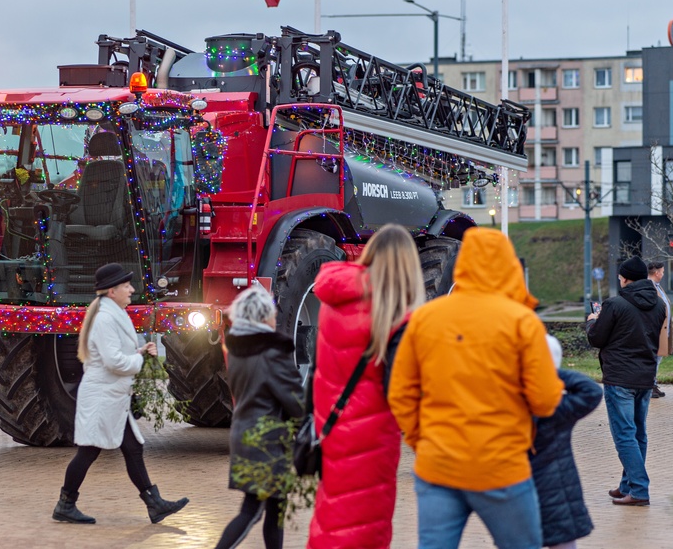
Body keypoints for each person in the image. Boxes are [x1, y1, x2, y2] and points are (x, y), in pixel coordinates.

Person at [389, 227, 564, 549]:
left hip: (437, 464)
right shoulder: (522, 322)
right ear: (507, 265)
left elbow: (400, 394)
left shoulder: (425, 319)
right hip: (502, 466)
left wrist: (421, 441)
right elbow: (544, 401)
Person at [308, 224, 425, 549]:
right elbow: (399, 390)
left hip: (332, 428)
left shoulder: (334, 302)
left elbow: (319, 365)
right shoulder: (394, 313)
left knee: (333, 518)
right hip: (372, 440)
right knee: (363, 527)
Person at [51, 263, 189, 525]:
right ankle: (65, 504)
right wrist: (138, 362)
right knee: (89, 451)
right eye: (127, 286)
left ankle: (154, 504)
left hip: (112, 397)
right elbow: (114, 362)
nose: (132, 289)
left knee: (133, 448)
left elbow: (113, 357)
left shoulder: (112, 312)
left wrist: (138, 353)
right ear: (112, 291)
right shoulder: (105, 317)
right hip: (103, 397)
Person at [215, 286, 304, 549]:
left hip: (246, 433)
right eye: (273, 313)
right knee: (253, 510)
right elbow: (294, 400)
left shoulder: (238, 349)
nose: (275, 318)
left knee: (275, 507)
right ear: (264, 316)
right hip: (267, 441)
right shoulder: (272, 351)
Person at [586, 255, 666, 506]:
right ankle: (627, 485)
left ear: (625, 279)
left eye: (620, 277)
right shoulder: (659, 305)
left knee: (624, 435)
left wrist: (591, 323)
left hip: (620, 377)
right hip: (645, 376)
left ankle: (640, 490)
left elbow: (597, 338)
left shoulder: (615, 304)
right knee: (638, 433)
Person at [531, 335, 602, 549]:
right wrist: (550, 373)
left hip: (519, 492)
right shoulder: (559, 409)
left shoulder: (510, 405)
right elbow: (591, 391)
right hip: (560, 492)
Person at [647, 261, 670, 398]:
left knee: (657, 359)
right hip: (655, 331)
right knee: (652, 359)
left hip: (662, 330)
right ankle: (649, 386)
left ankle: (653, 384)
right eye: (662, 271)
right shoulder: (649, 288)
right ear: (657, 273)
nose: (663, 273)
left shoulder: (658, 287)